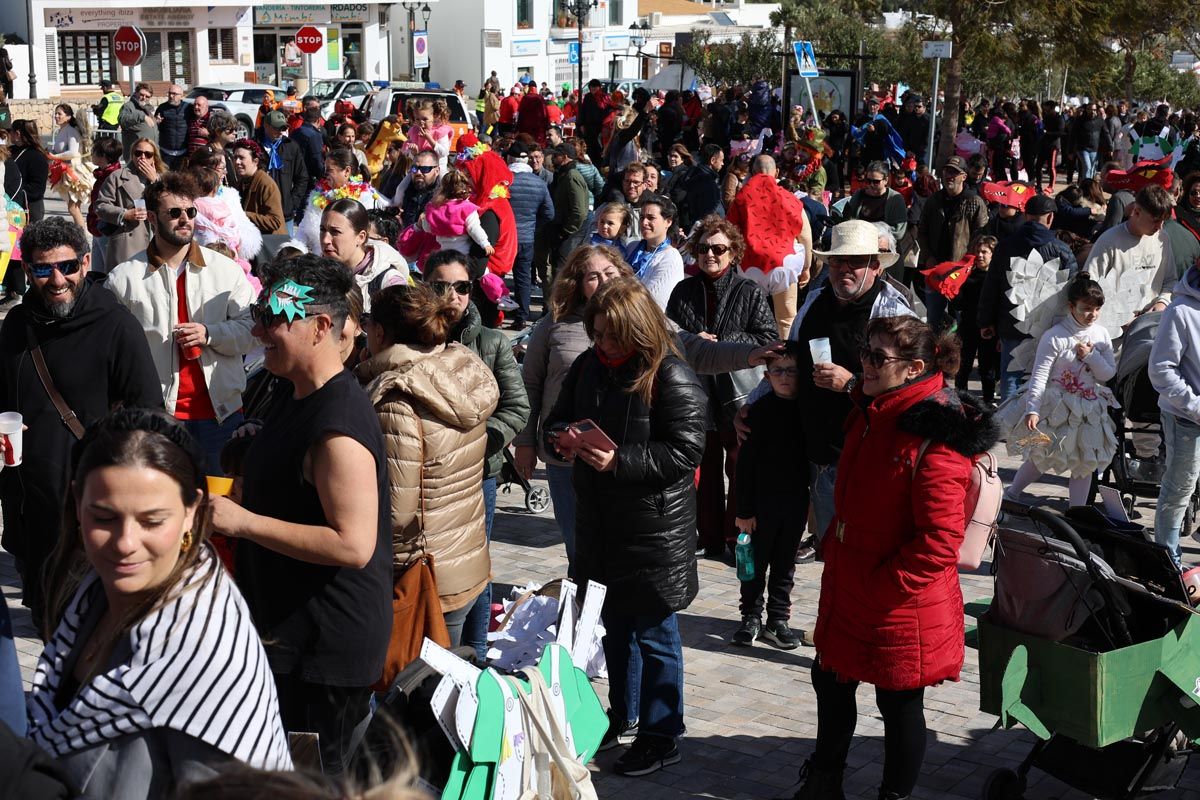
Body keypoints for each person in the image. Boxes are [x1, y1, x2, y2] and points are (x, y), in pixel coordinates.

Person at [27, 409, 293, 796]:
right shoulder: (93, 591)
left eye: (152, 521)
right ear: (75, 501)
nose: (124, 543)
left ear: (191, 512)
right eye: (104, 518)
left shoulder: (204, 651)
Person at [792, 315, 997, 800]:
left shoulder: (937, 436)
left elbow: (939, 543)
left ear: (914, 368)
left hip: (899, 601)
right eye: (865, 352)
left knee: (899, 703)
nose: (863, 364)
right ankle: (824, 784)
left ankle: (894, 796)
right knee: (831, 681)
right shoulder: (874, 409)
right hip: (852, 582)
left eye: (877, 358)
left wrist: (879, 588)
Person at [210, 254, 392, 776]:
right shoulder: (294, 393)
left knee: (313, 784)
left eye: (274, 317)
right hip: (287, 633)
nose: (260, 329)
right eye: (259, 313)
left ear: (320, 327)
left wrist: (241, 523)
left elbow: (353, 544)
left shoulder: (338, 424)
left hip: (324, 654)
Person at [543, 277, 706, 777]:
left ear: (637, 331)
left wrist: (619, 461)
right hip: (600, 524)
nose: (602, 345)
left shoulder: (671, 375)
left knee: (654, 634)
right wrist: (561, 441)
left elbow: (686, 451)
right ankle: (625, 715)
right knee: (613, 630)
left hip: (653, 530)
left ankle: (662, 732)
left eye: (611, 336)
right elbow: (557, 420)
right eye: (597, 334)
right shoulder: (589, 367)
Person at [0, 218, 161, 630]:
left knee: (84, 631)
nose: (57, 280)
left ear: (86, 263)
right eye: (42, 269)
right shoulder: (16, 326)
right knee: (44, 620)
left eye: (67, 267)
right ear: (28, 270)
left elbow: (150, 417)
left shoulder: (115, 326)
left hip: (89, 512)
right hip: (28, 508)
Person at [737, 220, 914, 562]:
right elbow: (788, 356)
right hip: (812, 447)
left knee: (856, 552)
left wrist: (850, 383)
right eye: (836, 261)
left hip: (862, 455)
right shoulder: (816, 300)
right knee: (830, 551)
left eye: (855, 261)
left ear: (876, 266)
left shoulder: (892, 312)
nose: (843, 269)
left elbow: (906, 387)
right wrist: (750, 406)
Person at [355, 282, 499, 644]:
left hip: (422, 575)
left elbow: (395, 513)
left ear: (381, 332)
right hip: (465, 560)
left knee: (415, 690)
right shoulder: (462, 368)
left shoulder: (396, 400)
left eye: (369, 321)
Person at [107, 172, 257, 474]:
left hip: (221, 414)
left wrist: (210, 334)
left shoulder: (226, 270)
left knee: (218, 509)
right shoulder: (123, 278)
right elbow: (111, 351)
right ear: (152, 217)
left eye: (191, 212)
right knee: (163, 507)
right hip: (158, 415)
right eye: (174, 213)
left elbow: (252, 331)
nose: (185, 219)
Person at [424, 250, 529, 660]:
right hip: (427, 473)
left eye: (462, 287)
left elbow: (517, 406)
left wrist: (481, 443)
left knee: (474, 564)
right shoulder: (415, 338)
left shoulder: (491, 342)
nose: (452, 296)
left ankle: (478, 650)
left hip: (477, 472)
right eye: (441, 286)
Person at [666, 217, 776, 560]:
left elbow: (767, 340)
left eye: (718, 249)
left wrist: (722, 343)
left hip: (739, 393)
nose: (710, 255)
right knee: (704, 469)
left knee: (739, 468)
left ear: (733, 252)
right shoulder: (684, 290)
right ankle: (709, 538)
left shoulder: (750, 291)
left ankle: (733, 537)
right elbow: (668, 339)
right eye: (703, 248)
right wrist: (692, 342)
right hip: (696, 393)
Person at [999, 272, 1117, 508]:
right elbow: (1040, 374)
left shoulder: (1101, 334)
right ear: (1071, 306)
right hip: (1056, 406)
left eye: (1096, 309)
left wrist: (1092, 357)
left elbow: (1108, 374)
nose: (1092, 314)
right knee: (1042, 455)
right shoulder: (1055, 336)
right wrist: (1032, 409)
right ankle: (1012, 494)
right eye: (1086, 308)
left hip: (1088, 407)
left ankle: (1077, 511)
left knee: (1084, 462)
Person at [732, 343, 806, 649]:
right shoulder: (757, 414)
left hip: (795, 503)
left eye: (791, 371)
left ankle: (777, 619)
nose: (785, 377)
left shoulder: (807, 411)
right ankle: (750, 615)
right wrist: (744, 510)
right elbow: (744, 468)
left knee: (785, 563)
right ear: (767, 376)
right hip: (760, 507)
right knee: (754, 564)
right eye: (778, 371)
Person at [978, 193, 1078, 401]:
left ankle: (1008, 428)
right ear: (1050, 218)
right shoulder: (1062, 250)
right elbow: (1073, 291)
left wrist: (986, 321)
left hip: (1011, 323)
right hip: (1049, 327)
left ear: (1025, 216)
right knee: (1046, 378)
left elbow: (991, 286)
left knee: (1011, 377)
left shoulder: (1005, 246)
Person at [727, 154, 813, 338]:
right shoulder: (789, 198)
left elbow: (729, 232)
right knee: (786, 318)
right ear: (777, 172)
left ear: (752, 171)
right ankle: (785, 360)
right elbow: (805, 236)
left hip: (749, 266)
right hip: (784, 264)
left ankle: (748, 358)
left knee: (746, 318)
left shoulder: (741, 198)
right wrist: (806, 267)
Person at [1150, 259, 1200, 566]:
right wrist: (1195, 406)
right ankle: (1168, 562)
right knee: (1179, 489)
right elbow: (1160, 370)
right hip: (1187, 418)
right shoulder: (1180, 311)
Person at [1084, 184, 1176, 322]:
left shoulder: (1162, 239)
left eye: (1163, 221)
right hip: (1113, 329)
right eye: (1155, 221)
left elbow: (1171, 280)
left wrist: (1161, 303)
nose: (1159, 227)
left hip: (1150, 325)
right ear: (1137, 212)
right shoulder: (1109, 241)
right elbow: (1088, 285)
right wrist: (1116, 318)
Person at [917, 155, 989, 329]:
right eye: (947, 171)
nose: (950, 176)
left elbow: (982, 238)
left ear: (964, 176)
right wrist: (928, 256)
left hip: (962, 274)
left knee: (962, 322)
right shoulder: (934, 200)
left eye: (955, 172)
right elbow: (922, 231)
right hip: (936, 270)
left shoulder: (974, 202)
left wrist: (968, 264)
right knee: (933, 321)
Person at [319, 197, 410, 310]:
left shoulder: (388, 282)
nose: (325, 240)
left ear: (361, 237)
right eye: (322, 230)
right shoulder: (317, 271)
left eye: (335, 232)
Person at [298, 147, 387, 253]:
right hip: (320, 260)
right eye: (325, 169)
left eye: (329, 170)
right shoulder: (317, 196)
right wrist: (296, 248)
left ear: (347, 171)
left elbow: (370, 237)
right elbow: (303, 229)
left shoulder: (365, 197)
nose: (325, 174)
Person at [506, 140, 554, 329]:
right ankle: (521, 316)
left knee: (497, 275)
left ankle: (496, 312)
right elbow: (549, 213)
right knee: (523, 277)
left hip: (505, 238)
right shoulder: (539, 183)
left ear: (510, 158)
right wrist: (533, 225)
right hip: (527, 237)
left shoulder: (504, 181)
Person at [94, 136, 161, 268]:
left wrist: (155, 181)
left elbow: (169, 204)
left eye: (147, 154)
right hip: (128, 241)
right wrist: (125, 214)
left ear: (154, 158)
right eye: (138, 153)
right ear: (132, 155)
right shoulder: (117, 176)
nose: (142, 157)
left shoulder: (162, 179)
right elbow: (100, 206)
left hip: (156, 241)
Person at [951, 234, 999, 407]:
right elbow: (959, 304)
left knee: (986, 368)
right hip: (969, 327)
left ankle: (988, 401)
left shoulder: (996, 278)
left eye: (984, 252)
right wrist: (953, 292)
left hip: (988, 329)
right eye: (977, 251)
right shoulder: (967, 276)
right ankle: (960, 398)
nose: (980, 255)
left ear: (993, 254)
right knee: (964, 365)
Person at [624, 195, 684, 310]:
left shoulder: (671, 257)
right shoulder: (632, 246)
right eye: (642, 217)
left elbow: (655, 303)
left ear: (668, 222)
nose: (644, 222)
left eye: (651, 218)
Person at [418, 169, 494, 256]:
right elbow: (474, 228)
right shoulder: (466, 208)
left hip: (443, 251)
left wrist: (423, 220)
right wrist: (485, 243)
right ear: (465, 189)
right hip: (463, 252)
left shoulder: (434, 208)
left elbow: (427, 228)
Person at [45, 103, 94, 233]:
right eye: (55, 113)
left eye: (59, 114)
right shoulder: (63, 130)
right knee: (72, 207)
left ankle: (82, 235)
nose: (56, 116)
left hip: (74, 173)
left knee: (73, 208)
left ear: (68, 116)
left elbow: (73, 152)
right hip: (65, 171)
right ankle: (81, 234)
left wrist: (54, 156)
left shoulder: (71, 130)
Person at [259, 110, 309, 234]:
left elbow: (302, 177)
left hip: (285, 212)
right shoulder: (256, 146)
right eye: (276, 128)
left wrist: (292, 202)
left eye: (282, 128)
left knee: (286, 250)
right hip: (260, 213)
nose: (279, 131)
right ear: (266, 125)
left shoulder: (291, 146)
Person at [545, 141, 590, 271]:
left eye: (556, 156)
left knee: (563, 268)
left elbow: (579, 211)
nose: (553, 159)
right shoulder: (562, 174)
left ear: (564, 157)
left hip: (571, 232)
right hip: (563, 229)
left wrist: (566, 231)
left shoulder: (571, 176)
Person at [232, 138, 287, 235]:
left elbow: (275, 221)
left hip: (271, 245)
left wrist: (244, 215)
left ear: (255, 161)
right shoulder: (240, 182)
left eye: (241, 158)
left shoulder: (266, 184)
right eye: (235, 157)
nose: (237, 162)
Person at [86, 135, 124, 274]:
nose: (91, 154)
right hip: (97, 227)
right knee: (97, 272)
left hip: (106, 229)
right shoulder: (103, 174)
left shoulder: (113, 176)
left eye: (94, 151)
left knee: (108, 273)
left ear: (102, 156)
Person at [392, 150, 441, 228]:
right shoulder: (405, 190)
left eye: (425, 169)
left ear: (437, 171)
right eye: (414, 168)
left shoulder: (442, 197)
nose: (418, 172)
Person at [404, 97, 453, 171]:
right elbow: (406, 153)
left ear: (434, 116)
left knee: (442, 180)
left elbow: (444, 153)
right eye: (417, 119)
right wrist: (413, 152)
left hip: (438, 170)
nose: (421, 122)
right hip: (419, 170)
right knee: (405, 181)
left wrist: (429, 139)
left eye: (425, 119)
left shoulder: (440, 131)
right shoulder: (414, 131)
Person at [119, 82, 158, 161]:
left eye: (147, 96)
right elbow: (122, 119)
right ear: (136, 93)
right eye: (141, 94)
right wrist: (142, 117)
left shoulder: (146, 108)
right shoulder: (129, 106)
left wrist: (156, 121)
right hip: (136, 155)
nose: (144, 98)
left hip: (148, 154)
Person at [156, 84, 189, 168]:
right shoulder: (162, 108)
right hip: (165, 153)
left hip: (183, 153)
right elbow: (156, 126)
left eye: (174, 94)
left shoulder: (188, 108)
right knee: (165, 178)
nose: (171, 96)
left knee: (181, 179)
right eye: (170, 93)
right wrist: (157, 123)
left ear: (181, 96)